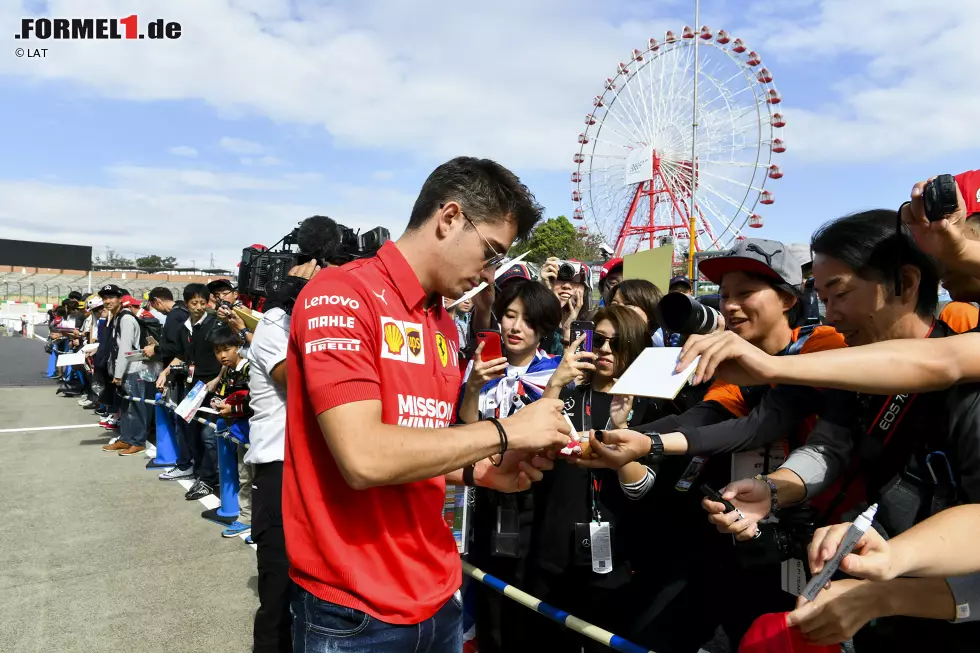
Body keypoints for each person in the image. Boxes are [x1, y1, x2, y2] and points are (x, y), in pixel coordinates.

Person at [283, 156, 571, 652]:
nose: (489, 274)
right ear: (450, 217)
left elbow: (421, 444)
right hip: (353, 609)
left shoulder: (442, 321)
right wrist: (507, 433)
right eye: (490, 252)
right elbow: (365, 457)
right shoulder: (341, 294)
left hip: (438, 594)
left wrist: (483, 471)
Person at [700, 211, 980, 651]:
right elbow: (830, 448)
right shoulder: (852, 373)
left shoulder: (969, 386)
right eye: (822, 298)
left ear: (905, 283)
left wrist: (889, 584)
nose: (831, 315)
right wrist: (774, 488)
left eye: (840, 294)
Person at [511, 306, 662, 653]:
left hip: (617, 557)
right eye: (600, 340)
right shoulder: (567, 395)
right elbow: (528, 441)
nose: (606, 350)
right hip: (553, 550)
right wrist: (555, 382)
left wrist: (622, 431)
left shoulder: (650, 407)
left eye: (618, 342)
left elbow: (641, 489)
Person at [456, 278, 562, 653]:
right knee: (487, 594)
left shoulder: (556, 372)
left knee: (529, 597)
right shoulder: (483, 366)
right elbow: (466, 429)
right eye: (510, 316)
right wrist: (472, 387)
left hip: (537, 497)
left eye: (528, 320)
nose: (515, 327)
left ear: (545, 328)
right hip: (485, 493)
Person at [246, 237, 332, 653]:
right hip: (279, 468)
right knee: (278, 593)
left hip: (320, 469)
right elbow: (304, 383)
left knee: (318, 592)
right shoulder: (273, 322)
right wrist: (306, 304)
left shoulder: (323, 320)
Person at [156, 284, 223, 501]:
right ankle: (200, 471)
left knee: (209, 435)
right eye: (194, 303)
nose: (198, 307)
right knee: (191, 431)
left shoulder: (214, 325)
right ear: (186, 304)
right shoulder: (185, 327)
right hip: (192, 388)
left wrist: (217, 379)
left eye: (203, 303)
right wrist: (165, 373)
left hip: (211, 387)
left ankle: (208, 478)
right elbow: (182, 356)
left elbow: (228, 354)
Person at [207, 324, 254, 538]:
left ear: (238, 346)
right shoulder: (227, 372)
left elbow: (259, 401)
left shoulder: (251, 368)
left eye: (227, 349)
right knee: (245, 477)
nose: (222, 355)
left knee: (263, 480)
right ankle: (246, 517)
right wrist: (221, 404)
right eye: (218, 351)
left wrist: (232, 408)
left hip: (259, 431)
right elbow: (227, 396)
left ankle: (262, 521)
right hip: (240, 431)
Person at [144, 287, 195, 481]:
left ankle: (185, 464)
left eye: (155, 307)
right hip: (186, 372)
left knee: (182, 421)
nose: (157, 312)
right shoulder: (183, 312)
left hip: (179, 375)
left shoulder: (174, 316)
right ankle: (189, 462)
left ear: (157, 301)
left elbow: (176, 348)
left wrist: (156, 348)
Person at [102, 295, 159, 456]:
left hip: (135, 368)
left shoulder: (126, 319)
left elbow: (125, 349)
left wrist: (118, 374)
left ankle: (138, 441)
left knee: (137, 406)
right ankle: (126, 438)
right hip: (129, 368)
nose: (107, 301)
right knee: (126, 406)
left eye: (111, 298)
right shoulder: (118, 318)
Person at [539, 257, 593, 355]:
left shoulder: (592, 326)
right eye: (560, 278)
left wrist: (568, 334)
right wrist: (543, 290)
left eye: (576, 280)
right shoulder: (538, 320)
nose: (567, 286)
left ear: (586, 290)